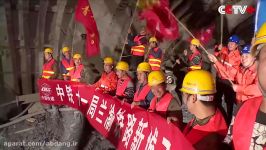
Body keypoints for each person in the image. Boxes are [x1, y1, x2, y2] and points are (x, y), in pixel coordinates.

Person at [223, 23, 266, 150]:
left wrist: (240, 89)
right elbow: (230, 135)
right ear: (257, 63)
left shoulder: (251, 72)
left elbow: (255, 88)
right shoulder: (243, 110)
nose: (243, 59)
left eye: (246, 56)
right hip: (240, 102)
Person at [180, 70, 228, 149]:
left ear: (193, 98)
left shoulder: (208, 142)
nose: (183, 99)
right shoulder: (208, 114)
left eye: (184, 94)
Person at [208, 35, 241, 123]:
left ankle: (228, 119)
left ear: (236, 45)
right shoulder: (224, 49)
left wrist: (216, 62)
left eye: (233, 43)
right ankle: (217, 117)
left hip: (228, 81)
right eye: (229, 42)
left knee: (229, 102)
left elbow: (227, 73)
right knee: (217, 99)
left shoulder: (238, 58)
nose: (230, 45)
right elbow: (216, 56)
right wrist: (217, 50)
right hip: (219, 78)